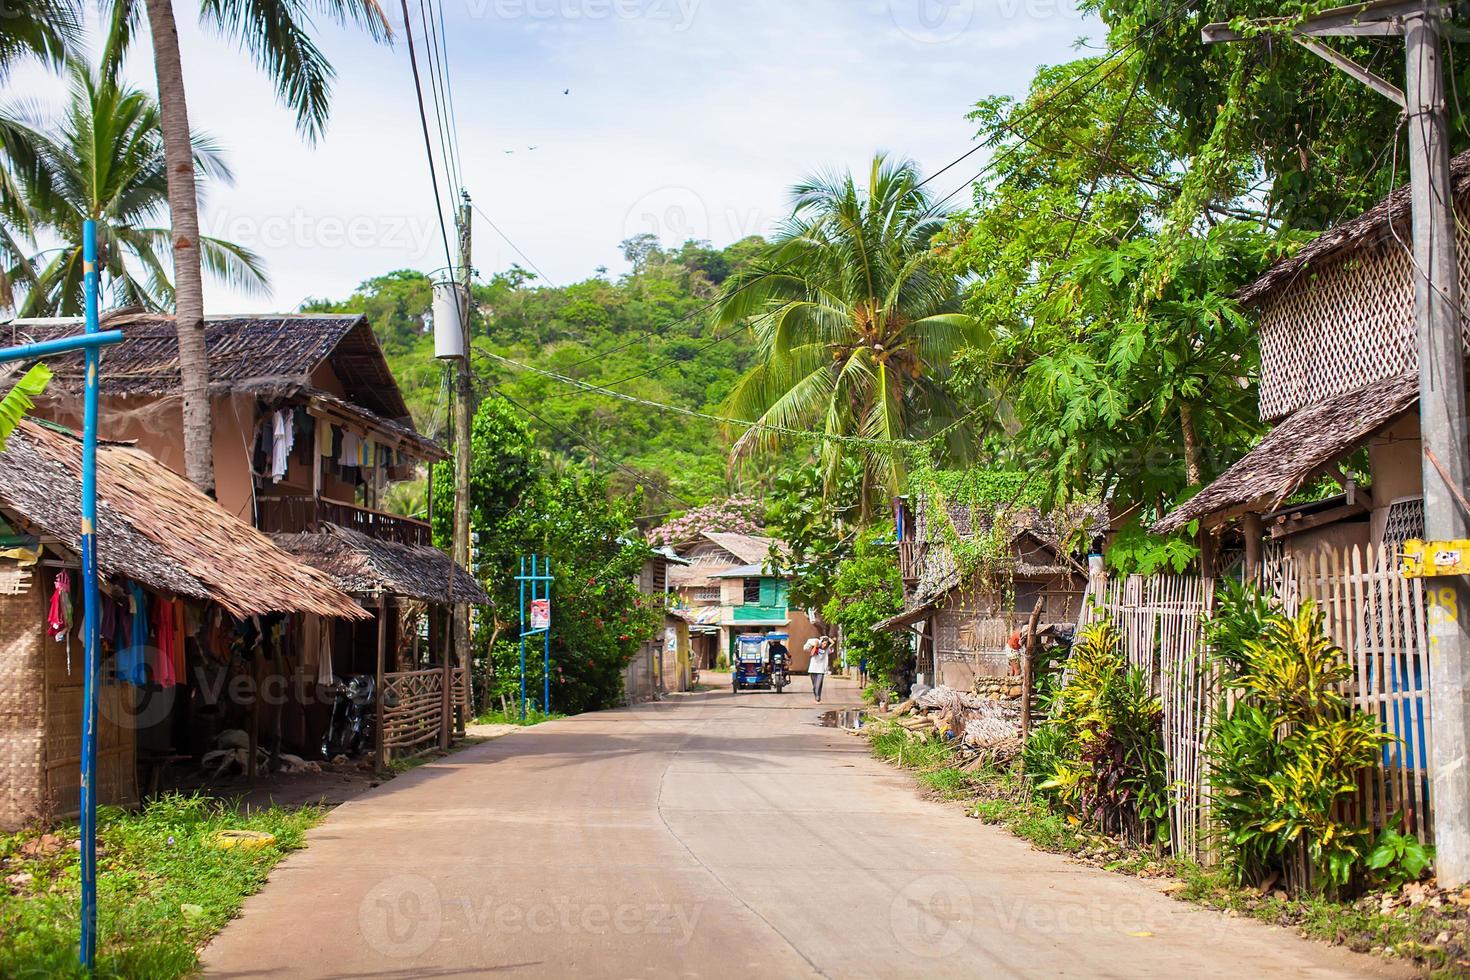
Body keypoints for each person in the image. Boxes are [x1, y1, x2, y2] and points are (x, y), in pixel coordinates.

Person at [808, 636, 830, 703]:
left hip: (821, 670)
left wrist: (826, 637)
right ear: (821, 643)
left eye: (826, 644)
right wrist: (816, 645)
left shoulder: (826, 650)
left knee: (818, 685)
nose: (825, 645)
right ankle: (816, 696)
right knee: (814, 686)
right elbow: (811, 654)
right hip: (812, 669)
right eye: (824, 643)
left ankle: (818, 697)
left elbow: (833, 642)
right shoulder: (816, 648)